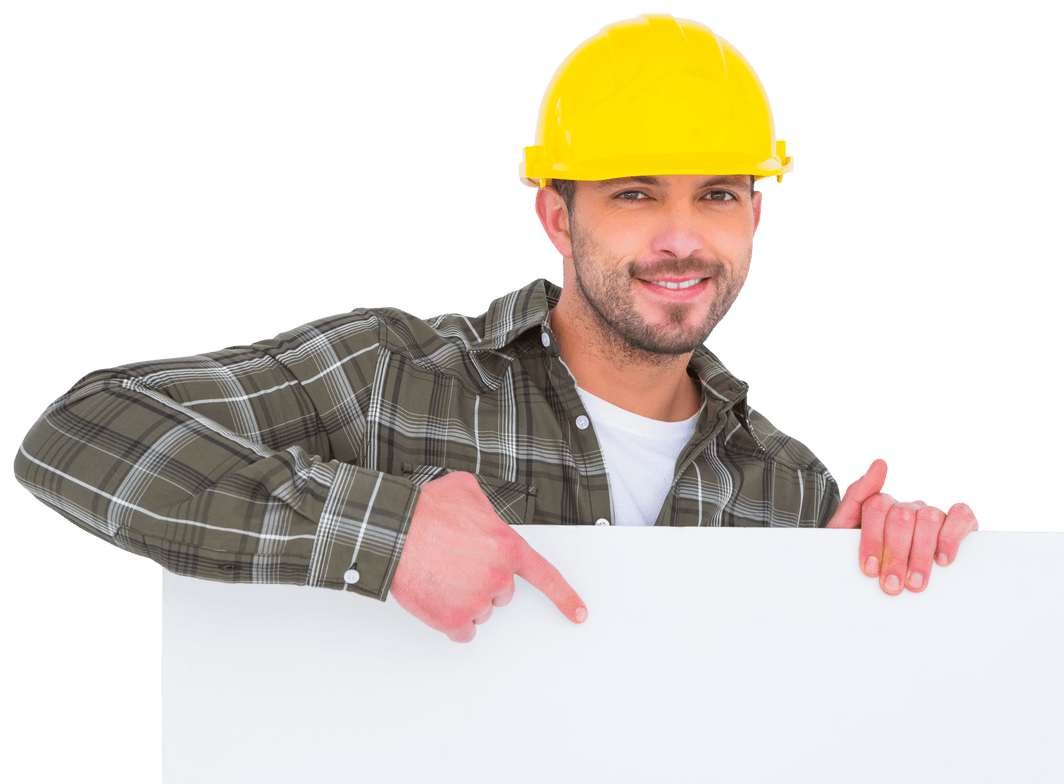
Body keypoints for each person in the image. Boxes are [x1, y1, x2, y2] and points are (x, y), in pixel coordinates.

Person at [12, 13, 977, 645]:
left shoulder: (791, 488)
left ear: (754, 217)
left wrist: (863, 596)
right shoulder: (392, 379)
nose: (682, 238)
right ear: (558, 216)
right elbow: (80, 432)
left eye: (717, 194)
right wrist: (385, 536)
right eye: (635, 193)